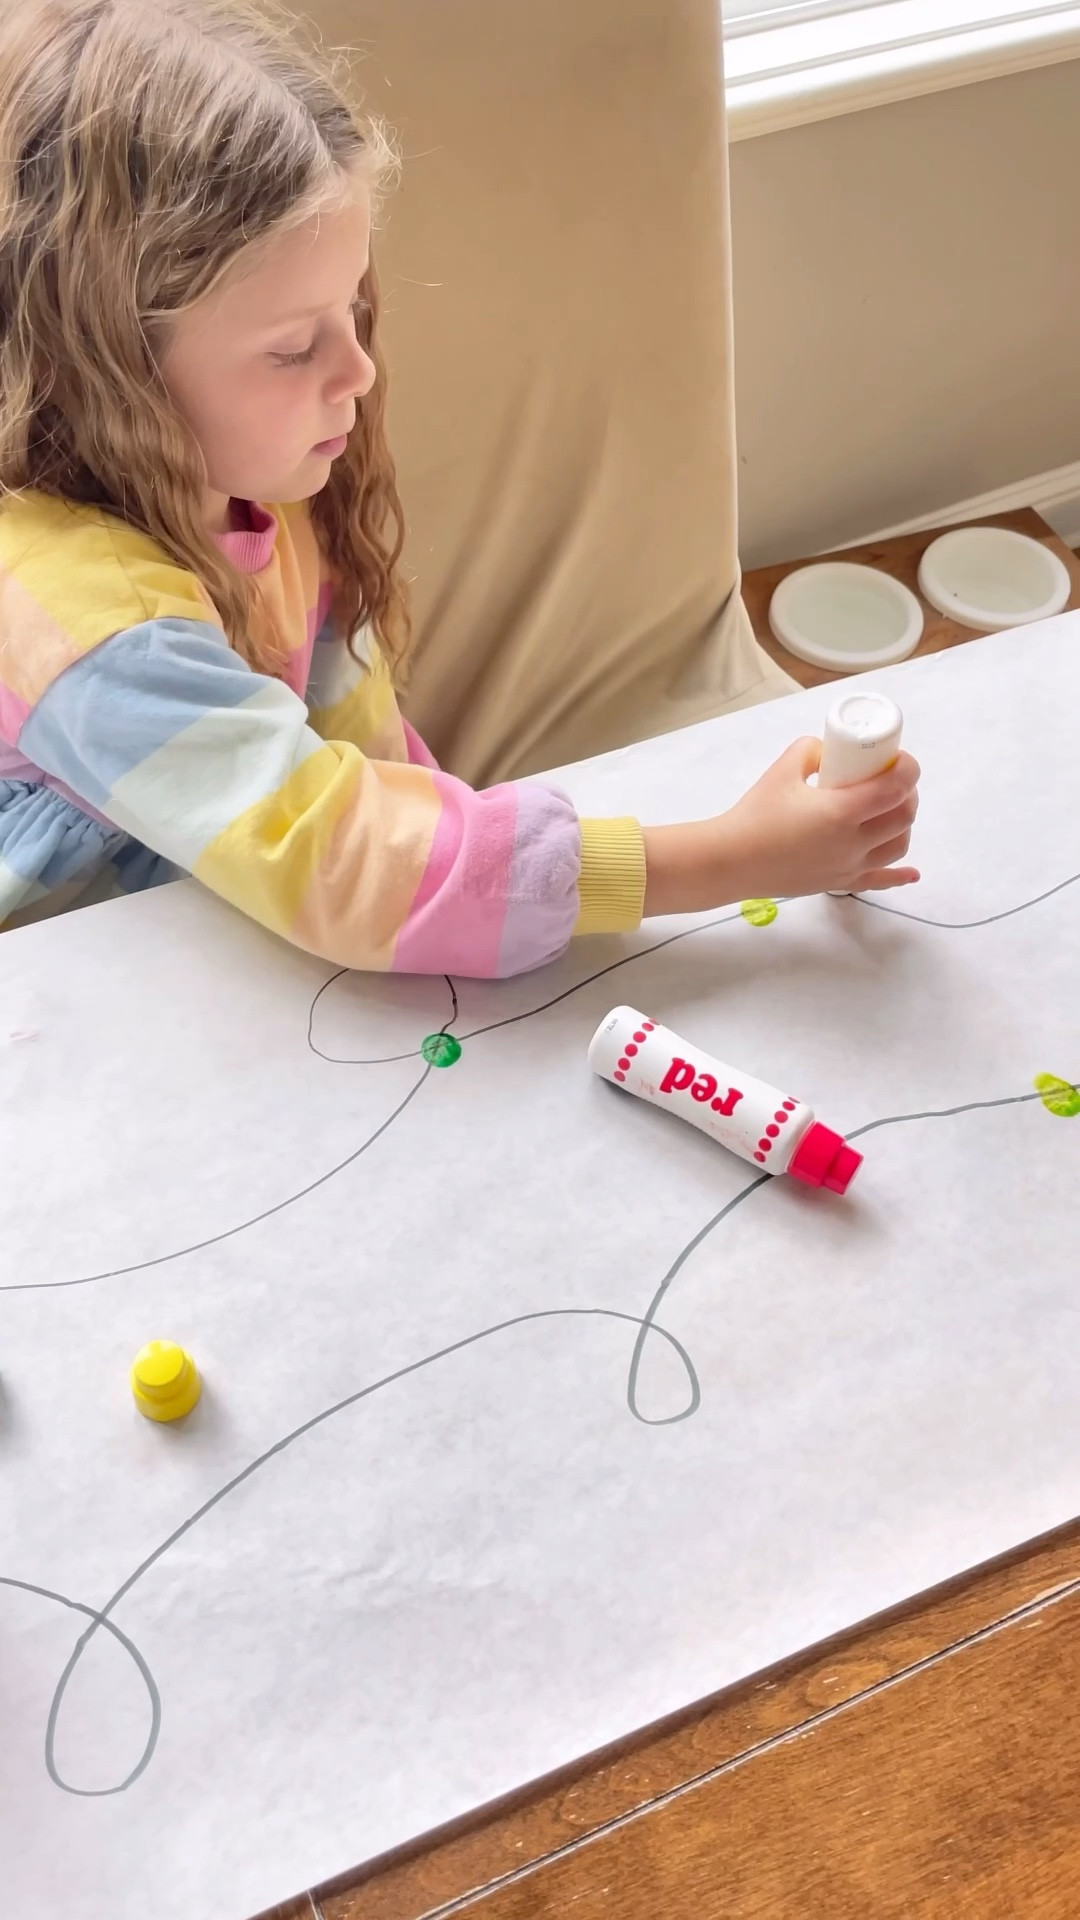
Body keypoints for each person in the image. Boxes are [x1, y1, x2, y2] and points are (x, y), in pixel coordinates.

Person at [0, 0, 919, 974]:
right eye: (294, 345)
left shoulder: (257, 467)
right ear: (104, 367)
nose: (358, 371)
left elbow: (366, 756)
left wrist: (481, 866)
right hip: (75, 984)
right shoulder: (89, 628)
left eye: (353, 310)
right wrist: (735, 856)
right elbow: (349, 863)